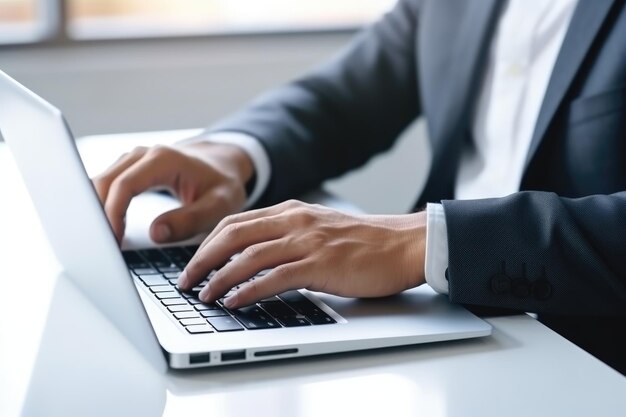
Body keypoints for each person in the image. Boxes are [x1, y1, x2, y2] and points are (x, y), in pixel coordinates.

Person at [93, 0, 626, 374]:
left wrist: (424, 242)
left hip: (592, 358)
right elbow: (352, 91)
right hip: (442, 328)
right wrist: (235, 153)